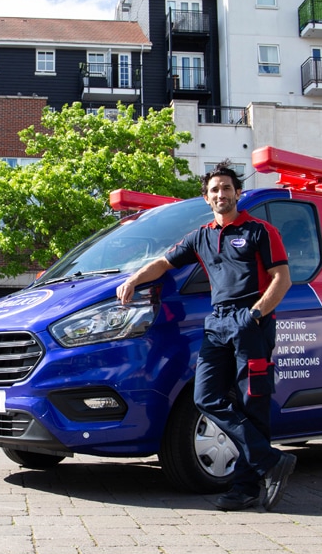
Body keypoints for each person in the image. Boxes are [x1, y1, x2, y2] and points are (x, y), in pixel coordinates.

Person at [116, 162, 295, 511]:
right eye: (214, 189)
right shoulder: (201, 236)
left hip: (252, 324)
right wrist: (135, 278)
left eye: (226, 188)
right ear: (206, 197)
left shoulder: (260, 231)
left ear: (237, 193)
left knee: (252, 404)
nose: (220, 194)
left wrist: (256, 315)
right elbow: (165, 263)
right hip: (217, 325)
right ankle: (269, 460)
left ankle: (244, 488)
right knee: (206, 396)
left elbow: (281, 279)